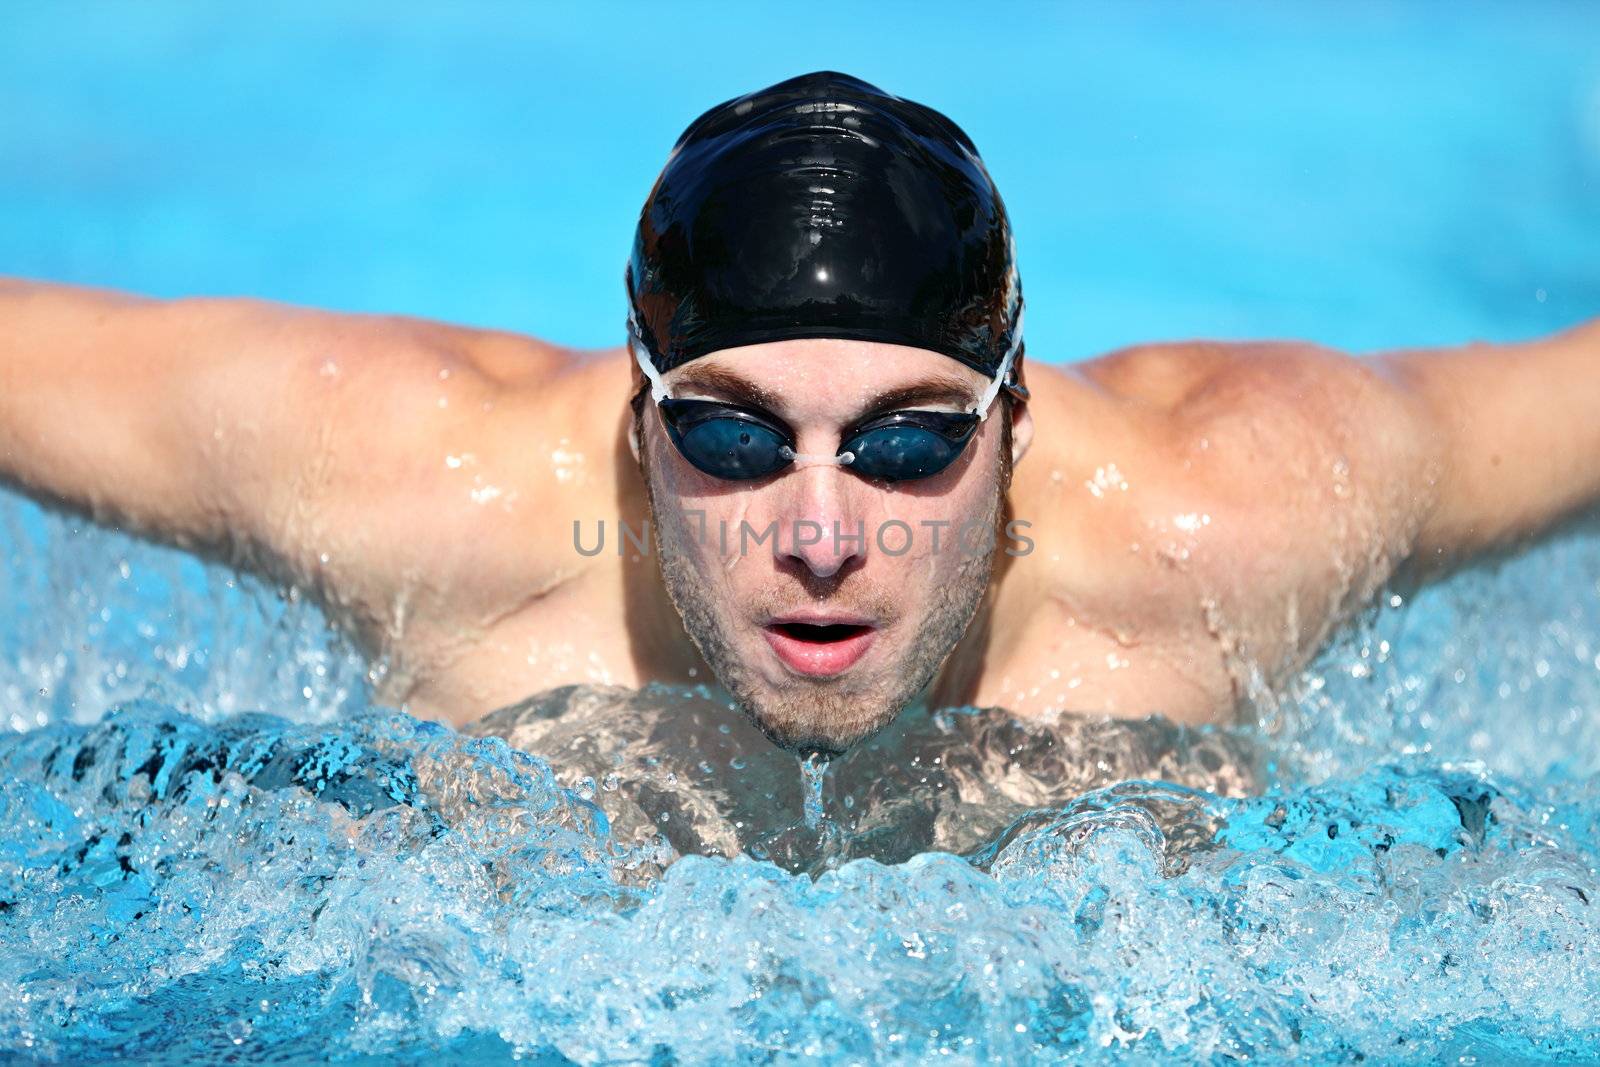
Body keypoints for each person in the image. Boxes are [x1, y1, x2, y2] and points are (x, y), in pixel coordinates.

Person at [1, 71, 1597, 756]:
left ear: (1014, 422)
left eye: (908, 441)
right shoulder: (410, 483)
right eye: (733, 435)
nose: (820, 534)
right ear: (635, 426)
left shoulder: (1233, 519)